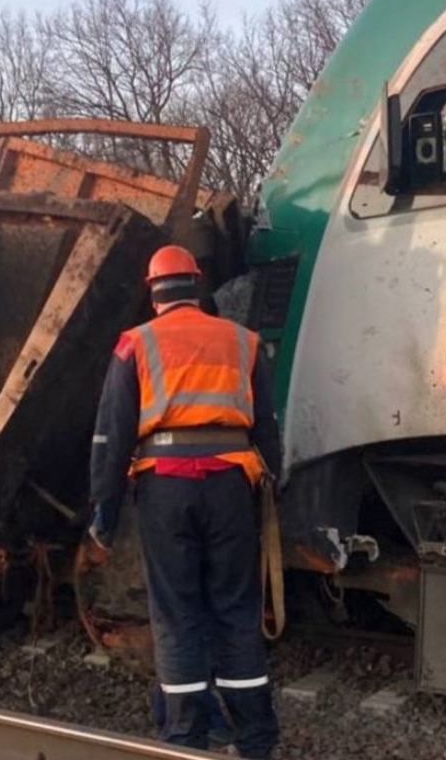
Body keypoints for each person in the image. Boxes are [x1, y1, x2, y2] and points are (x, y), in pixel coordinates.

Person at [88, 244, 282, 758]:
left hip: (166, 488)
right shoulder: (243, 342)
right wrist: (271, 488)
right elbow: (269, 429)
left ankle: (186, 741)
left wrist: (103, 514)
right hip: (230, 487)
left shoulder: (136, 345)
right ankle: (256, 740)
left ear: (153, 293)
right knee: (236, 609)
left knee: (177, 614)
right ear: (197, 286)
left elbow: (111, 437)